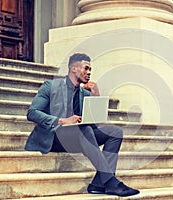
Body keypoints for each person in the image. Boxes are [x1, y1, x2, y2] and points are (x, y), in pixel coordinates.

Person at [25, 53, 139, 197]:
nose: (89, 72)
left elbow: (93, 123)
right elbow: (32, 113)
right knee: (84, 129)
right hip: (54, 137)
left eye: (90, 69)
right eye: (86, 68)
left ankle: (97, 184)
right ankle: (111, 182)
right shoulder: (50, 86)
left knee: (114, 132)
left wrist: (96, 96)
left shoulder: (85, 93)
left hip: (79, 136)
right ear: (73, 68)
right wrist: (62, 120)